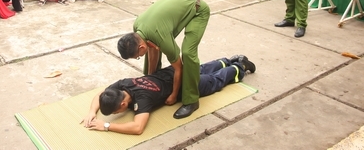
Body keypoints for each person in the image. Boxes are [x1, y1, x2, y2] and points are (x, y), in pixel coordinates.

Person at [82, 55, 255, 134]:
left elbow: (137, 128)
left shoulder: (142, 100)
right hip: (173, 71)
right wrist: (92, 112)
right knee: (200, 68)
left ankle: (239, 66)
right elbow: (100, 95)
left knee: (214, 81)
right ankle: (225, 60)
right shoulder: (122, 84)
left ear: (122, 105)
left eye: (114, 113)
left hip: (183, 86)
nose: (115, 116)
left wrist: (106, 126)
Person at [117, 0, 210, 119]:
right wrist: (150, 78)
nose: (139, 57)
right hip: (177, 7)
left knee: (188, 53)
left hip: (198, 10)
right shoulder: (137, 28)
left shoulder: (160, 36)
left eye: (137, 56)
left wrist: (173, 94)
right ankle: (153, 75)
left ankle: (192, 101)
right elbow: (151, 48)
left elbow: (178, 68)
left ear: (140, 47)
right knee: (152, 49)